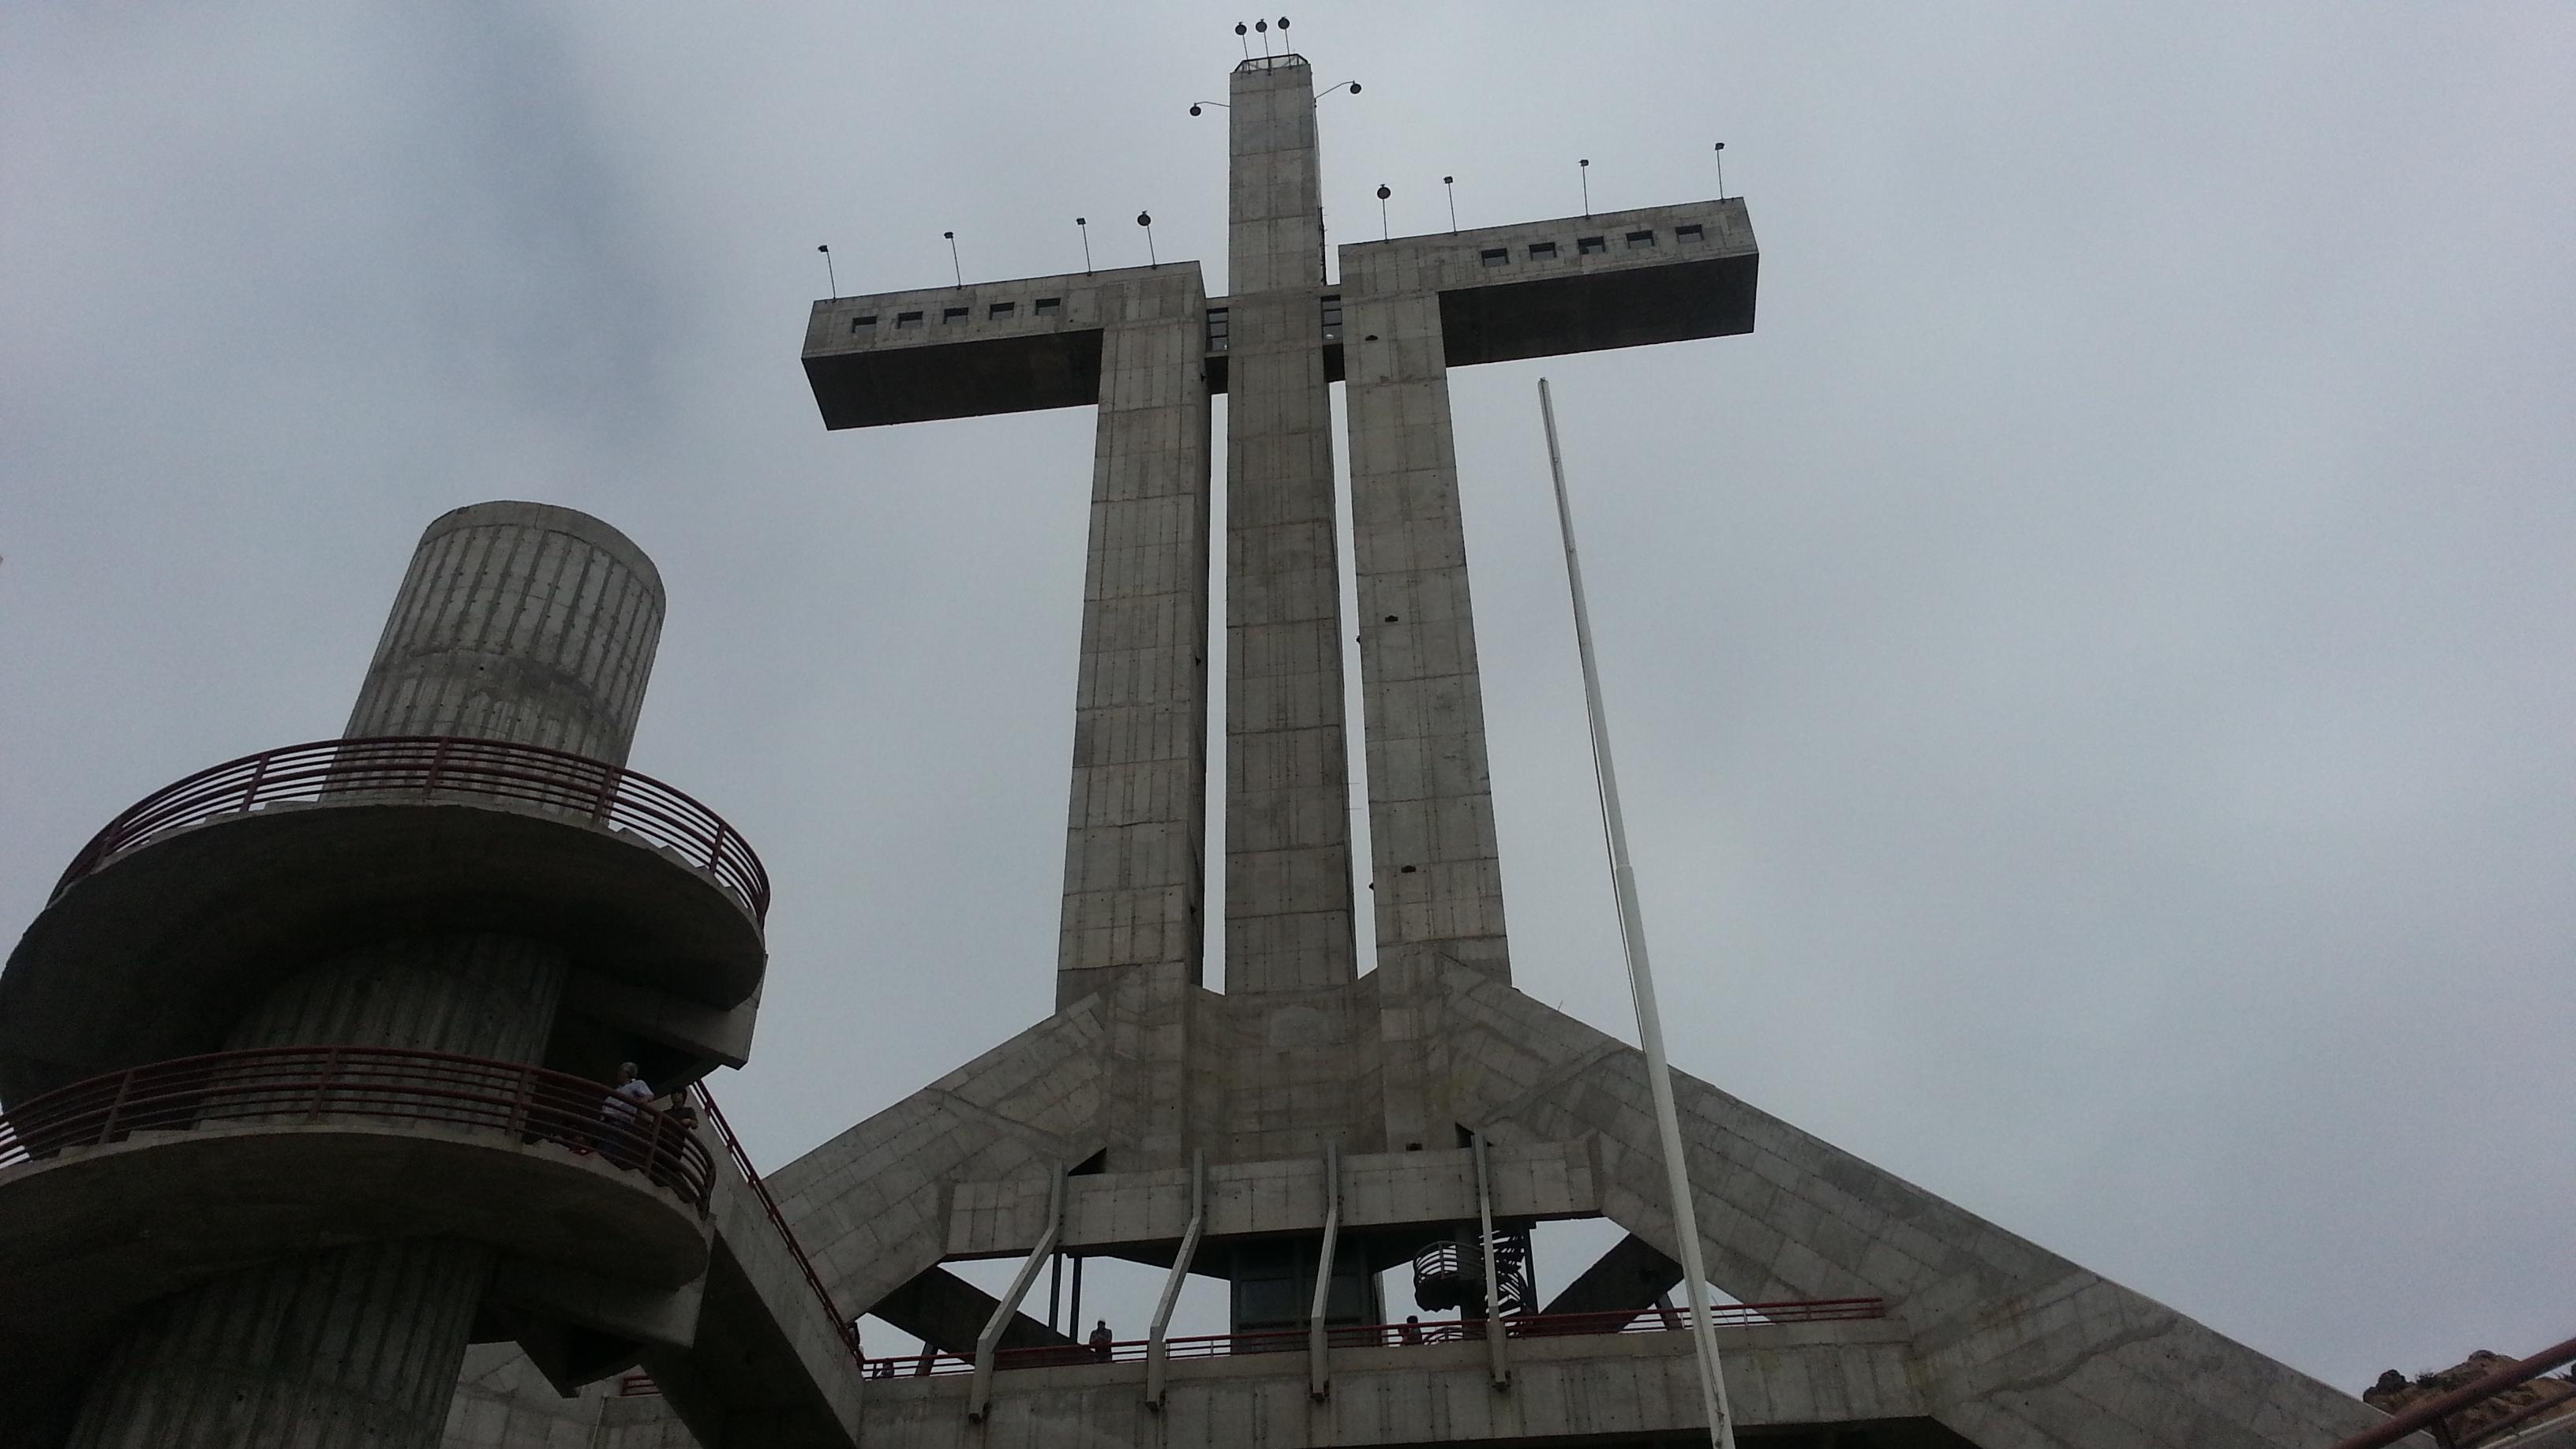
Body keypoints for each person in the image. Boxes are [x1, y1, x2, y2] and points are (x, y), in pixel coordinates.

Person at [597, 1061, 655, 1166]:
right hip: (608, 1120)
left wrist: (642, 1101)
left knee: (608, 1149)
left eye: (621, 1071)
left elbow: (649, 1095)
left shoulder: (637, 1084)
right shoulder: (619, 1089)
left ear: (627, 1073)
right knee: (603, 1146)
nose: (618, 1074)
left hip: (620, 1121)